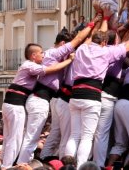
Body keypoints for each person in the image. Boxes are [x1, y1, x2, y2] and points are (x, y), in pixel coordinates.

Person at [63, 18, 129, 163]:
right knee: (88, 136)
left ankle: (67, 165)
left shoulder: (82, 49)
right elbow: (127, 46)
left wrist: (101, 19)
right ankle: (82, 167)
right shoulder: (106, 52)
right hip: (92, 95)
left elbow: (84, 38)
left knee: (74, 135)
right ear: (103, 43)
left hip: (75, 95)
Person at [17, 26, 94, 164]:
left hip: (48, 100)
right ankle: (26, 164)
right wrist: (93, 24)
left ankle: (43, 161)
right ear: (63, 44)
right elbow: (78, 42)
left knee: (51, 135)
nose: (43, 54)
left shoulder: (54, 56)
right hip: (43, 100)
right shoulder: (53, 54)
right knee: (37, 138)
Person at [1, 41, 76, 167]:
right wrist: (69, 60)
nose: (44, 55)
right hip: (16, 105)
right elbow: (51, 69)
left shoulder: (28, 65)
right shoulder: (30, 65)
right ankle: (12, 166)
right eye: (41, 53)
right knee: (18, 138)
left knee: (12, 137)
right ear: (33, 55)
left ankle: (8, 163)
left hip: (13, 104)